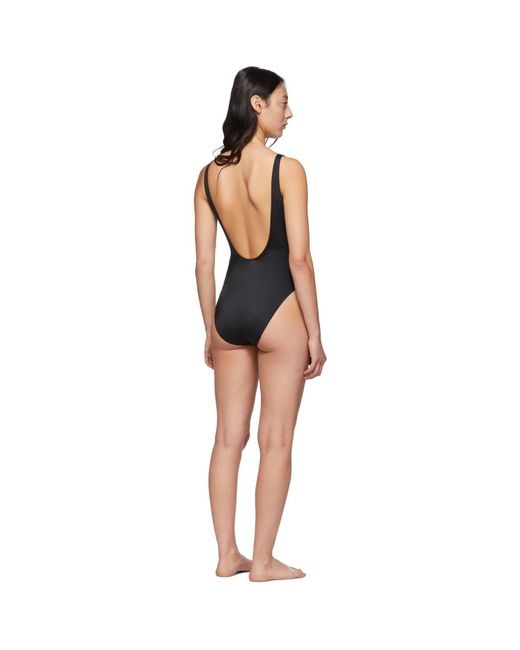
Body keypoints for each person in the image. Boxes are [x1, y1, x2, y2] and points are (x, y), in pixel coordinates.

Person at [194, 66, 327, 582]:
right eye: (282, 102)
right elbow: (299, 259)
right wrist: (314, 332)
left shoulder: (208, 176)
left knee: (228, 438)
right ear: (257, 104)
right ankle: (263, 561)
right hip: (279, 309)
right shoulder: (287, 170)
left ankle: (227, 555)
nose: (288, 113)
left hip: (229, 308)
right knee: (276, 439)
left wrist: (210, 328)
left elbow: (204, 264)